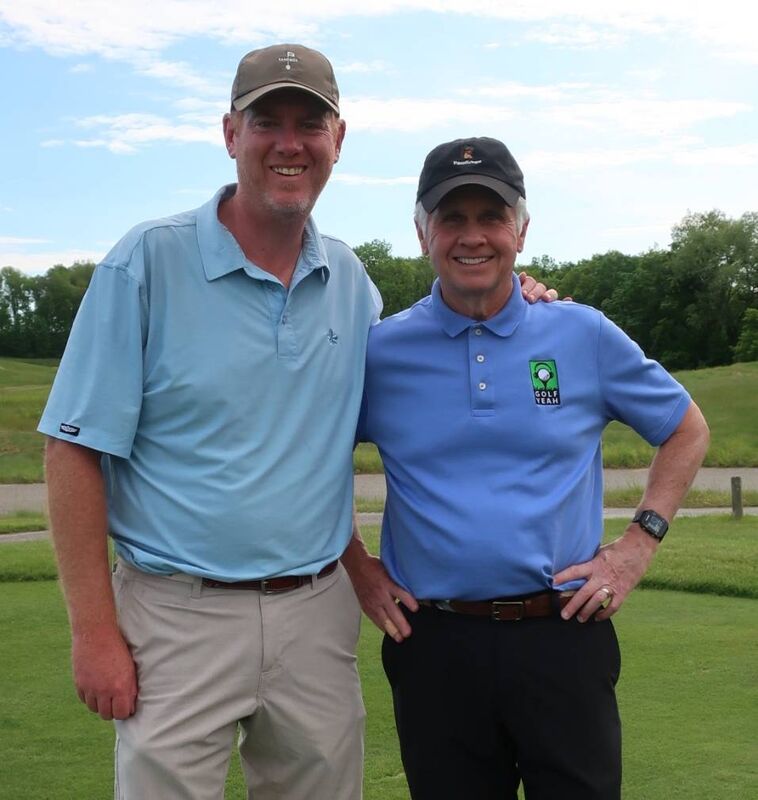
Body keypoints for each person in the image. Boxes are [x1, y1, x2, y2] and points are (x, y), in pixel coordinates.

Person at [38, 45, 555, 800]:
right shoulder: (146, 263)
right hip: (177, 616)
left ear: (337, 140)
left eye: (309, 124)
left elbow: (430, 364)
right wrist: (92, 632)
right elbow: (72, 450)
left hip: (317, 616)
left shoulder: (350, 281)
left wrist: (517, 295)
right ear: (229, 134)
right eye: (265, 122)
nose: (289, 143)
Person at [343, 136, 710, 800]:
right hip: (434, 643)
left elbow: (686, 429)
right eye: (452, 218)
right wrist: (356, 564)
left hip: (562, 637)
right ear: (423, 230)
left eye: (492, 216)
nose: (473, 236)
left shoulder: (582, 333)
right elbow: (312, 460)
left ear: (522, 227)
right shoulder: (382, 352)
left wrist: (634, 548)